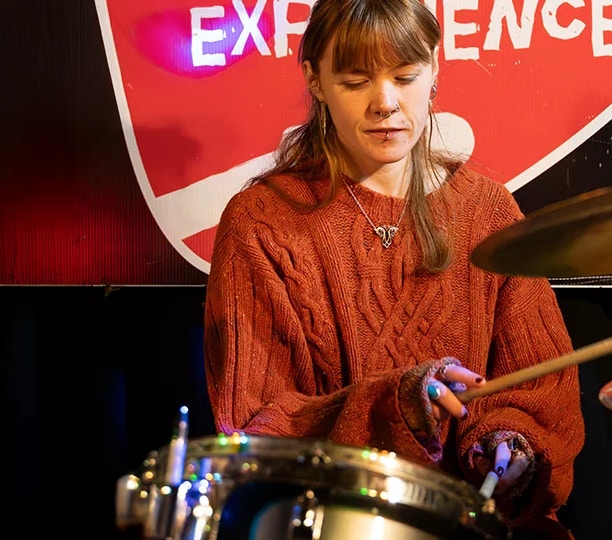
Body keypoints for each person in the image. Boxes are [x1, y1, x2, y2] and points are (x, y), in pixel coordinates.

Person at [203, 0, 585, 536]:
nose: (386, 103)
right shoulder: (260, 223)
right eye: (356, 81)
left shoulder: (487, 210)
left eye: (405, 77)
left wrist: (507, 441)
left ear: (434, 68)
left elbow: (545, 392)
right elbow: (256, 428)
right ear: (314, 79)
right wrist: (395, 403)